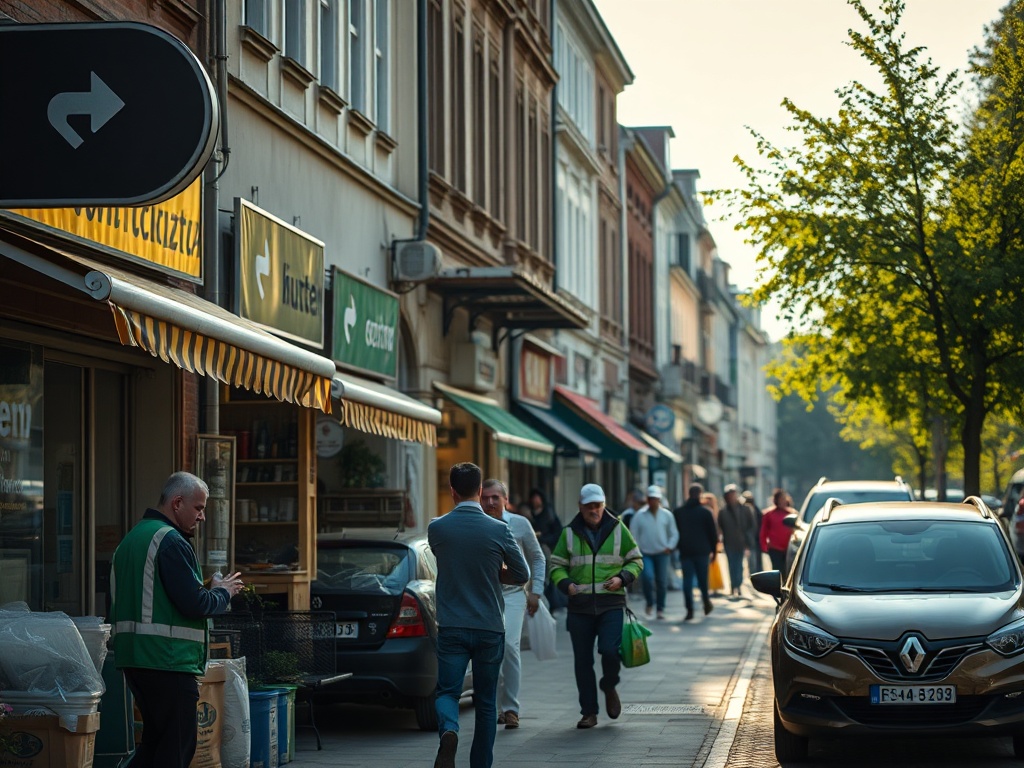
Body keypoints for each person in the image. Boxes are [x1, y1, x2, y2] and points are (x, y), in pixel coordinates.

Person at [111, 471, 244, 768]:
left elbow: (158, 597)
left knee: (155, 743)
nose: (202, 517)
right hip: (167, 660)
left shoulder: (132, 539)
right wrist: (223, 593)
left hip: (135, 658)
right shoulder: (171, 541)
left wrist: (207, 590)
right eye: (198, 508)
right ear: (177, 503)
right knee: (176, 747)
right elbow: (195, 604)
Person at [428, 463, 530, 768]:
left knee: (447, 692)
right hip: (489, 627)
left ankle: (449, 730)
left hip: (452, 625)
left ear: (452, 491)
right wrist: (496, 573)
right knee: (486, 703)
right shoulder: (499, 529)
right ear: (481, 490)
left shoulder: (437, 528)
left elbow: (449, 560)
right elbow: (522, 573)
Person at [548, 483, 643, 729]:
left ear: (604, 504)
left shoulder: (619, 529)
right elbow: (556, 565)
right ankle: (589, 712)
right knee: (582, 661)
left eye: (598, 505)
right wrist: (566, 584)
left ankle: (609, 685)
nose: (594, 510)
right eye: (589, 506)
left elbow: (636, 560)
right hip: (579, 607)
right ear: (580, 506)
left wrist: (622, 578)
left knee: (610, 651)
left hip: (611, 604)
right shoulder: (569, 533)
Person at [480, 478, 547, 730]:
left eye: (495, 497)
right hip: (484, 596)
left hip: (513, 595)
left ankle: (511, 709)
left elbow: (538, 558)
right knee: (490, 649)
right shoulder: (476, 524)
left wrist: (536, 592)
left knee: (509, 646)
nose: (490, 502)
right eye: (485, 497)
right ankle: (496, 707)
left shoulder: (519, 524)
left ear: (506, 500)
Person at [627, 484, 679, 619]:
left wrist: (669, 546)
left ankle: (660, 608)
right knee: (647, 578)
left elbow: (674, 533)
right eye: (651, 499)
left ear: (659, 500)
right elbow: (633, 534)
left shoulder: (667, 515)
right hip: (646, 554)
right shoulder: (639, 516)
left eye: (655, 499)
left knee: (661, 581)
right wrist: (637, 550)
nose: (653, 501)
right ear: (647, 500)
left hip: (663, 553)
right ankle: (650, 602)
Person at [673, 483, 719, 620]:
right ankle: (706, 602)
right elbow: (713, 534)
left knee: (687, 581)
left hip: (685, 550)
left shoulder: (679, 512)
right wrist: (714, 552)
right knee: (702, 580)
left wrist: (678, 546)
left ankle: (690, 609)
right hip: (702, 551)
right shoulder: (706, 512)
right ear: (700, 494)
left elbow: (675, 532)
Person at [529, 488, 566, 611]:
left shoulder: (549, 514)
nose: (535, 501)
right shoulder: (530, 514)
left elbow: (557, 532)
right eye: (533, 498)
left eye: (537, 498)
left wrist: (543, 538)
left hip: (547, 549)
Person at [718, 484, 756, 598]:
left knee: (739, 565)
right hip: (729, 542)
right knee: (731, 565)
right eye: (730, 495)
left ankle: (738, 585)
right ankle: (733, 586)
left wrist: (748, 540)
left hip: (742, 542)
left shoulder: (745, 509)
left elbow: (751, 526)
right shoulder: (723, 511)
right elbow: (720, 527)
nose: (732, 497)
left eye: (734, 495)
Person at [760, 488, 796, 572]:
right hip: (775, 548)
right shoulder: (769, 514)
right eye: (780, 499)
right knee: (777, 571)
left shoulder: (792, 513)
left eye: (784, 499)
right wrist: (764, 546)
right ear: (776, 500)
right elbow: (763, 531)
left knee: (789, 570)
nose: (782, 501)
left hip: (789, 548)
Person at [701, 492, 726, 597]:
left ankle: (714, 587)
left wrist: (718, 540)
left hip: (712, 542)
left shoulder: (715, 513)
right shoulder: (704, 512)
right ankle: (708, 587)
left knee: (713, 565)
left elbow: (718, 528)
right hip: (705, 542)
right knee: (707, 565)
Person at [742, 490, 764, 577]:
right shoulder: (744, 510)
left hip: (756, 538)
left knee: (756, 559)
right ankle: (754, 574)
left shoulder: (756, 510)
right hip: (750, 538)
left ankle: (757, 574)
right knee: (752, 559)